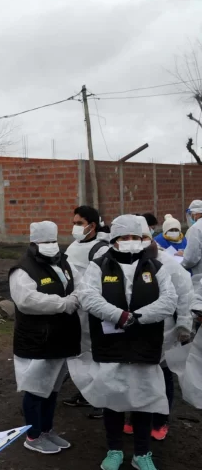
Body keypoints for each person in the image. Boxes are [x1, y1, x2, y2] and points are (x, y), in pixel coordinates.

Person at [72, 215, 175, 470]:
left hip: (145, 345)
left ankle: (142, 454)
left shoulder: (155, 266)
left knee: (143, 401)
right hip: (112, 347)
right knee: (114, 401)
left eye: (136, 237)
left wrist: (138, 318)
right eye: (124, 238)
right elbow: (88, 297)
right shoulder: (99, 266)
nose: (131, 242)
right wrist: (119, 316)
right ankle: (114, 450)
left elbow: (169, 300)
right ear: (114, 240)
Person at [9, 221, 81, 455]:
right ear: (33, 242)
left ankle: (47, 430)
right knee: (35, 389)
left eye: (53, 241)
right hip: (36, 340)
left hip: (61, 337)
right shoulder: (23, 269)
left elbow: (81, 285)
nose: (50, 246)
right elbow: (27, 300)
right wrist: (63, 304)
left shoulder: (63, 262)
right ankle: (32, 435)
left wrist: (75, 298)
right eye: (45, 242)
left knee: (52, 388)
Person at [136, 216, 193, 441]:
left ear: (151, 238)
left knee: (162, 375)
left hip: (164, 332)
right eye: (131, 237)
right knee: (136, 376)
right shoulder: (125, 263)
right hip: (135, 331)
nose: (138, 242)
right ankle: (135, 417)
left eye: (142, 237)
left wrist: (183, 325)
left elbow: (185, 294)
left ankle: (160, 420)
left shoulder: (168, 263)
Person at [62, 206, 107, 417]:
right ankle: (86, 392)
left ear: (92, 225)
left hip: (91, 312)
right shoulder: (73, 246)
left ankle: (102, 400)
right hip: (74, 310)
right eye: (74, 223)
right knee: (79, 354)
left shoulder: (101, 248)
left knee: (95, 355)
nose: (75, 227)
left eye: (79, 223)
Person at [182, 200, 202, 274]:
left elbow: (191, 258)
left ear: (195, 214)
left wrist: (180, 264)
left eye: (191, 214)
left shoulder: (196, 228)